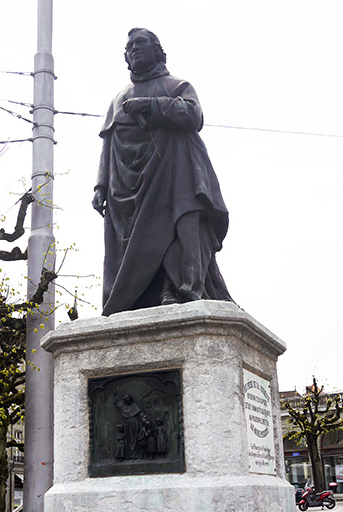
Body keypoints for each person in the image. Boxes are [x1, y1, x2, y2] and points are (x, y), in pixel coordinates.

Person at [93, 28, 233, 316]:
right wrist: (100, 186)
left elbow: (193, 115)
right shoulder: (118, 99)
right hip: (124, 191)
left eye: (140, 43)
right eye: (129, 47)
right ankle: (131, 300)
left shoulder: (177, 86)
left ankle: (177, 288)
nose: (133, 49)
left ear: (157, 50)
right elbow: (108, 144)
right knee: (128, 248)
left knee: (175, 232)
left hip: (170, 177)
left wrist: (149, 105)